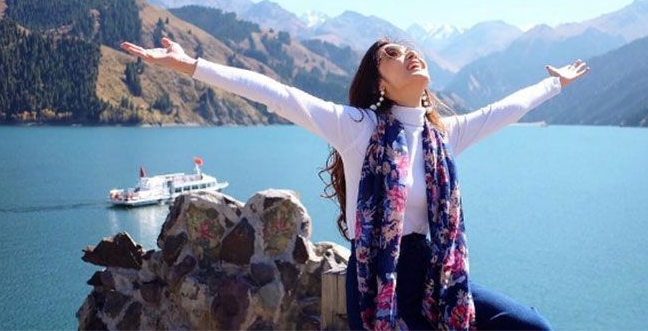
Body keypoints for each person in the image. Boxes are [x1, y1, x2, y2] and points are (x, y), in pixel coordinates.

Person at [120, 36, 590, 331]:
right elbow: (277, 94)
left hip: (433, 274)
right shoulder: (358, 128)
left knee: (531, 326)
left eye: (410, 50)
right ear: (380, 82)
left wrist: (556, 84)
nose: (408, 55)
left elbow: (505, 110)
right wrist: (189, 65)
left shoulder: (441, 136)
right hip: (375, 281)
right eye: (392, 55)